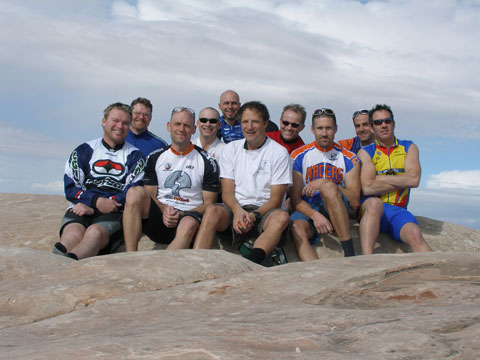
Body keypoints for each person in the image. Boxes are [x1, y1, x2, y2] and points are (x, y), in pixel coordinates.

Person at [194, 101, 292, 265]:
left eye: (255, 121)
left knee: (281, 217)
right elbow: (227, 193)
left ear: (265, 124)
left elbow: (276, 199)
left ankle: (253, 263)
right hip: (236, 208)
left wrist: (253, 216)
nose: (249, 126)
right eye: (245, 122)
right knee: (211, 211)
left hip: (264, 212)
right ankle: (196, 262)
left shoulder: (279, 152)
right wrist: (237, 211)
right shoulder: (231, 149)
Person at [53, 103, 146, 260]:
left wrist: (107, 203)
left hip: (113, 212)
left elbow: (133, 190)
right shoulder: (84, 150)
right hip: (82, 207)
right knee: (72, 235)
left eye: (125, 123)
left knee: (94, 233)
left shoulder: (136, 156)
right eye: (115, 121)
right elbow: (71, 186)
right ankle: (59, 257)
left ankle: (70, 263)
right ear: (104, 121)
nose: (120, 126)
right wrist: (94, 202)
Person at [122, 107, 220, 251]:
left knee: (188, 223)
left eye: (186, 125)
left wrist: (182, 214)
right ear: (169, 126)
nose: (181, 129)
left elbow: (209, 203)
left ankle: (163, 269)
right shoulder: (155, 157)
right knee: (134, 192)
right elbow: (149, 194)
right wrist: (165, 209)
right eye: (177, 124)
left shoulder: (207, 161)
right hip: (160, 216)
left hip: (188, 218)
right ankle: (129, 256)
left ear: (194, 129)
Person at [357, 104, 431, 254]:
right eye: (378, 122)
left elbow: (414, 180)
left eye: (387, 121)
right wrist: (401, 181)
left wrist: (380, 177)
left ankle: (437, 274)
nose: (383, 125)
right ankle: (367, 260)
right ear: (372, 128)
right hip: (370, 209)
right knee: (375, 204)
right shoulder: (365, 152)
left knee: (415, 234)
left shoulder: (408, 147)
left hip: (398, 210)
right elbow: (368, 188)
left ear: (393, 123)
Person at [290, 108, 361, 261]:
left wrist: (324, 182)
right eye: (319, 128)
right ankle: (316, 273)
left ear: (335, 129)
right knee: (296, 228)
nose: (324, 133)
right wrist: (315, 216)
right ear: (312, 130)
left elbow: (355, 200)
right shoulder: (298, 155)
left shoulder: (349, 158)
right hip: (309, 208)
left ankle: (349, 254)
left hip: (337, 206)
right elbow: (295, 200)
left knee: (328, 187)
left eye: (328, 128)